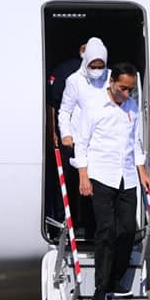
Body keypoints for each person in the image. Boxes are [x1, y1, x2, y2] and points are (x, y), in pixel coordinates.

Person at [75, 62, 150, 300]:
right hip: (101, 175)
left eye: (130, 90)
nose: (126, 94)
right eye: (122, 88)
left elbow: (136, 143)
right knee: (106, 231)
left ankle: (114, 280)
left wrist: (143, 174)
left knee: (128, 230)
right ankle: (101, 288)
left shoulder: (131, 107)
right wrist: (83, 176)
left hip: (127, 177)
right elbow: (82, 142)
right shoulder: (94, 106)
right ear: (112, 83)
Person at [56, 38, 110, 229]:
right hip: (79, 141)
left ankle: (94, 226)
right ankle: (76, 224)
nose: (96, 70)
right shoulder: (74, 80)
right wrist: (66, 134)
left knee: (99, 188)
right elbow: (64, 110)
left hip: (102, 142)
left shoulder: (111, 79)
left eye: (100, 66)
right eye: (92, 66)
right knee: (77, 187)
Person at [46, 40, 90, 223]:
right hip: (68, 137)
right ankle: (64, 220)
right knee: (65, 181)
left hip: (90, 138)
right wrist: (53, 132)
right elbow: (53, 104)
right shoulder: (66, 71)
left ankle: (86, 224)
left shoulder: (105, 75)